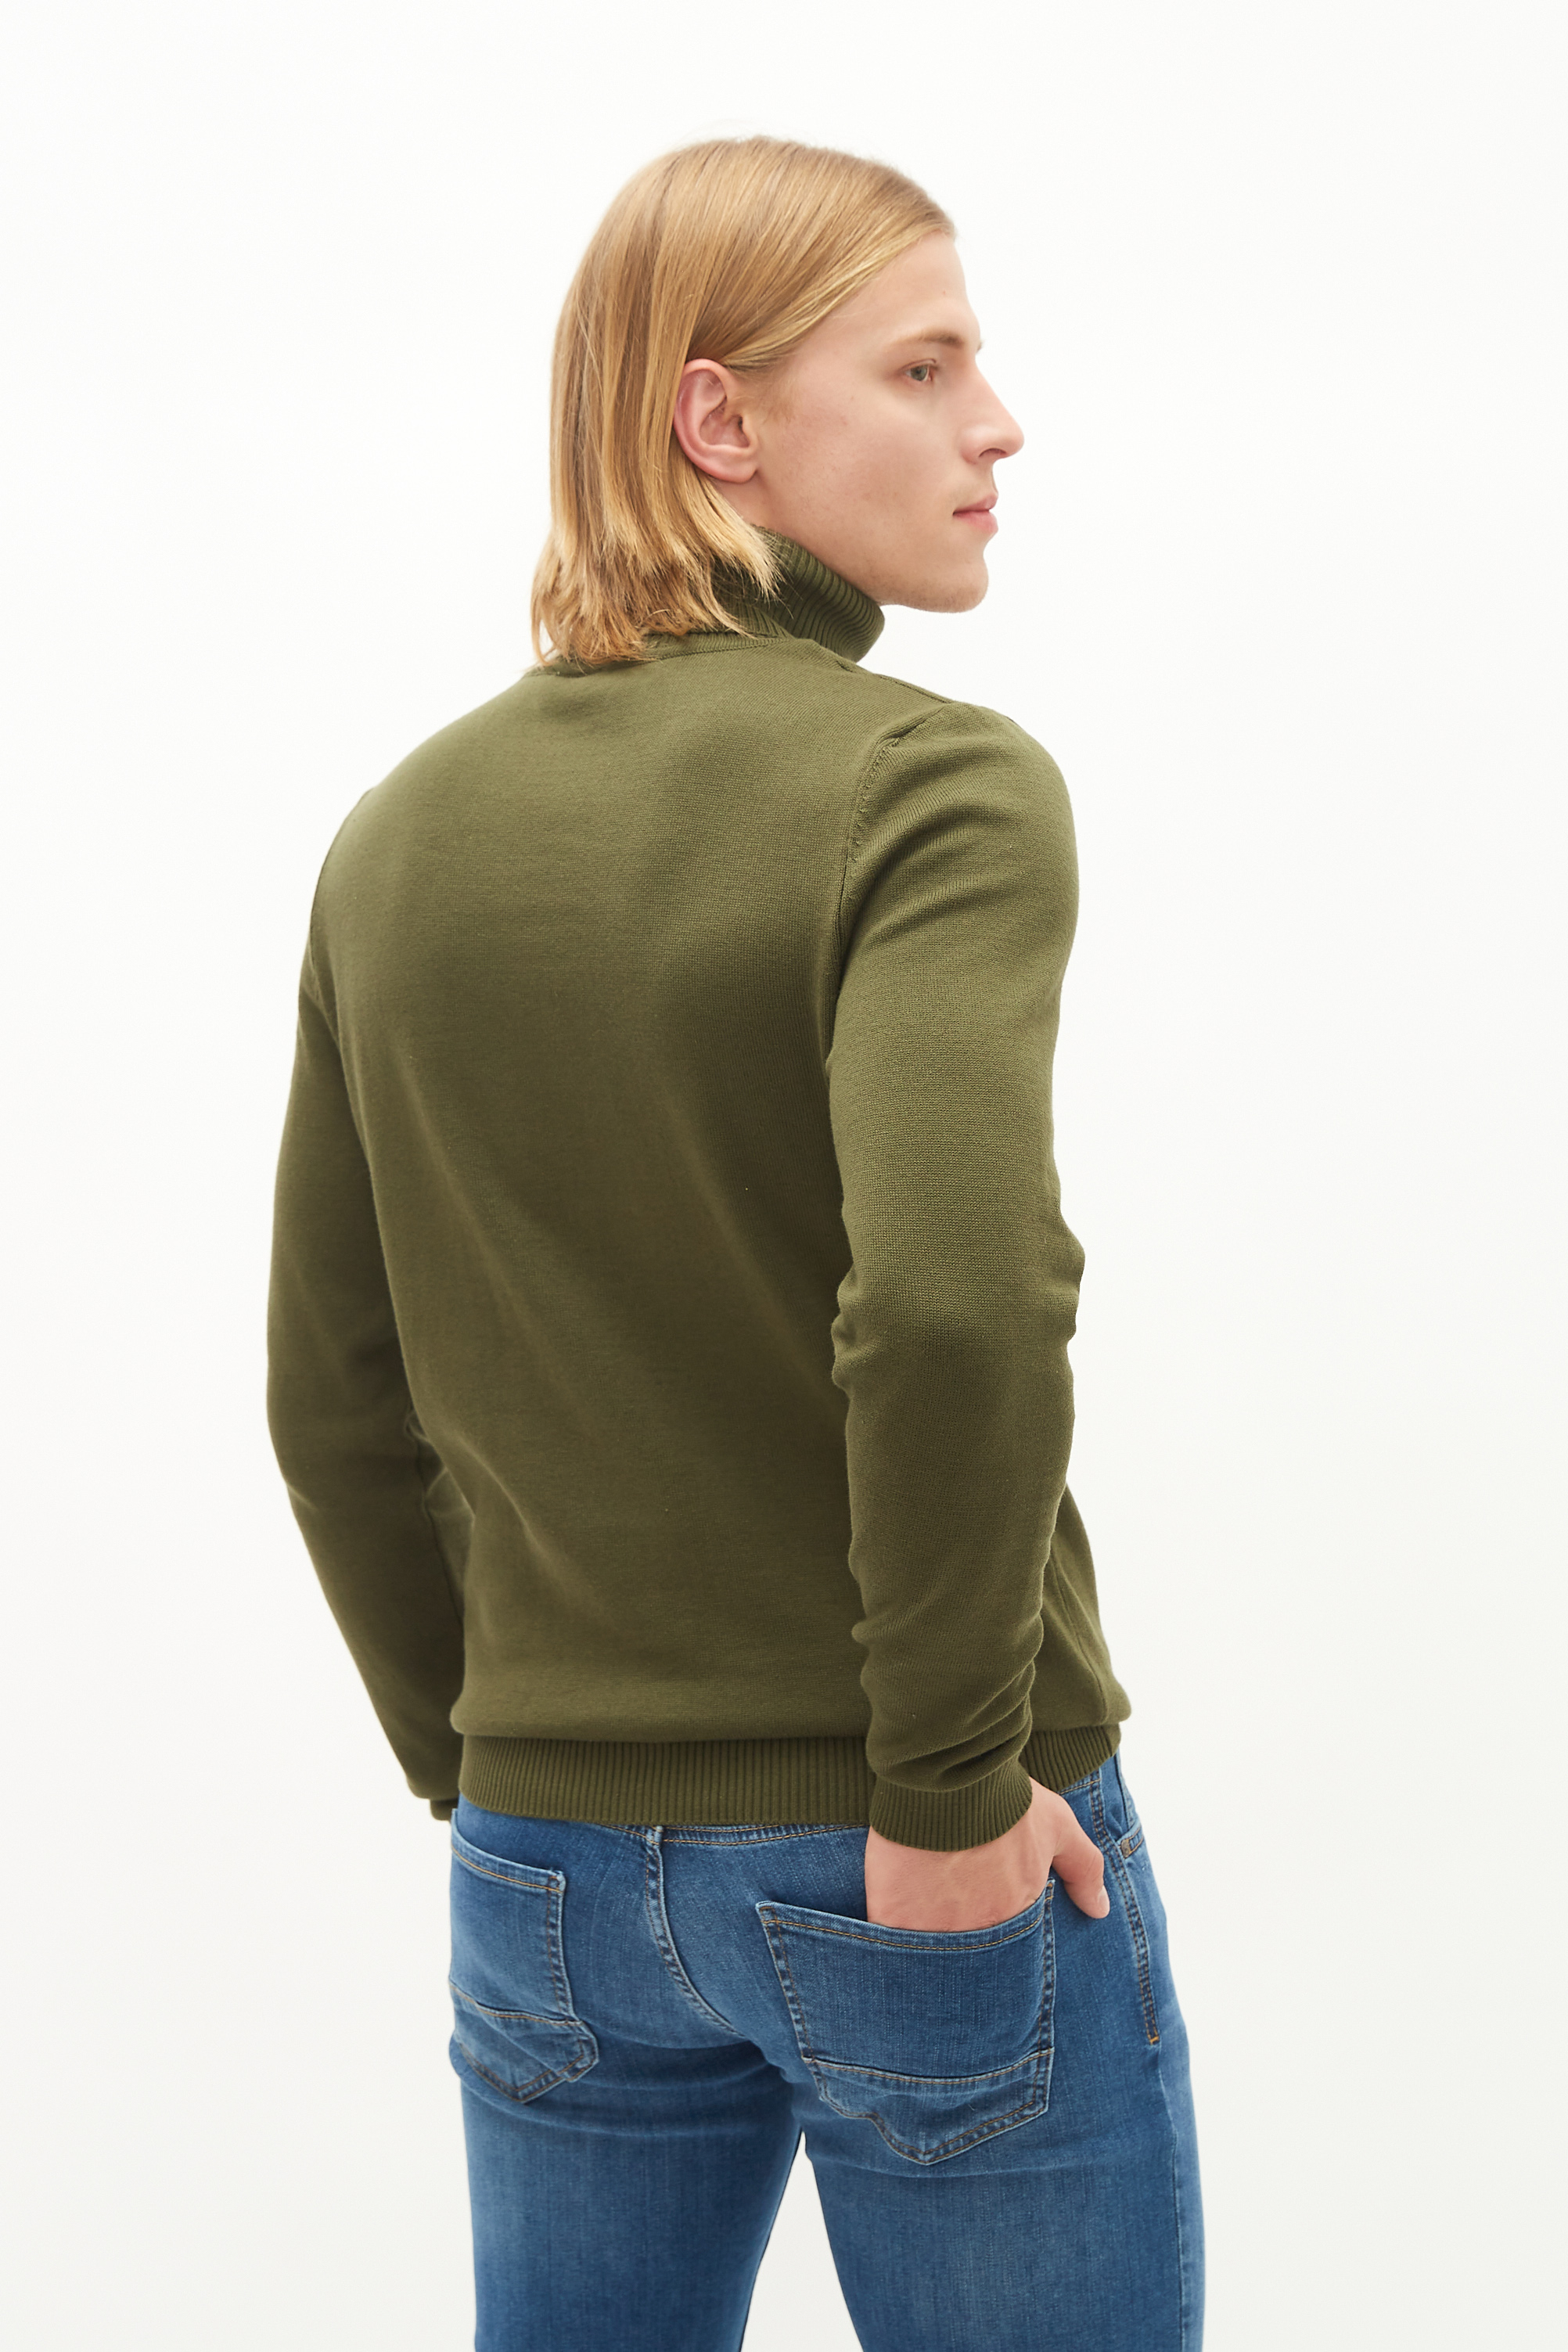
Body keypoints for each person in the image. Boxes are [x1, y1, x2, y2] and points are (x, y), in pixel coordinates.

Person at [267, 135, 1203, 2352]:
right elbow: (953, 1308)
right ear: (719, 420)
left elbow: (332, 1395)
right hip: (914, 1840)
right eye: (924, 365)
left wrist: (497, 1771)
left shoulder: (400, 835)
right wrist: (944, 1794)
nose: (997, 424)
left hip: (547, 1866)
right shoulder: (930, 788)